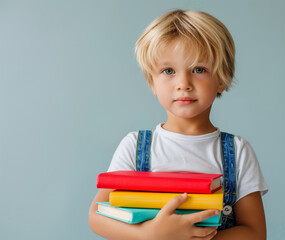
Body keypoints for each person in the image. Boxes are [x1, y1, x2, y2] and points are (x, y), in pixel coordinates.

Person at [89, 9, 268, 240]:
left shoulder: (238, 152)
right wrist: (150, 234)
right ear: (152, 82)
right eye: (168, 71)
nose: (183, 83)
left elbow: (255, 232)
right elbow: (97, 216)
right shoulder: (134, 147)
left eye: (199, 69)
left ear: (221, 80)